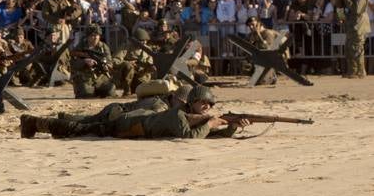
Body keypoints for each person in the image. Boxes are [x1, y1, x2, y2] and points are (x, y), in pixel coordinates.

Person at [20, 85, 249, 139]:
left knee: (83, 127)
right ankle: (34, 122)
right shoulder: (176, 115)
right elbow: (190, 136)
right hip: (126, 123)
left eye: (209, 107)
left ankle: (45, 122)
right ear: (191, 103)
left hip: (133, 125)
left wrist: (230, 127)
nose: (207, 109)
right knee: (78, 130)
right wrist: (210, 123)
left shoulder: (188, 115)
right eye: (204, 105)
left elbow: (207, 132)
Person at [333, 0, 369, 79]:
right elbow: (339, 8)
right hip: (350, 25)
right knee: (349, 49)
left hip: (359, 26)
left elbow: (357, 10)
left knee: (356, 48)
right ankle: (352, 71)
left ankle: (360, 72)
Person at [70, 26, 115, 98]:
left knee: (111, 90)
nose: (95, 38)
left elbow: (109, 61)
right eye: (92, 35)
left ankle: (97, 91)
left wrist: (107, 65)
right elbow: (73, 63)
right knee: (86, 93)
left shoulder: (103, 47)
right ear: (87, 37)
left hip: (100, 78)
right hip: (85, 78)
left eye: (97, 35)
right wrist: (85, 61)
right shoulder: (80, 47)